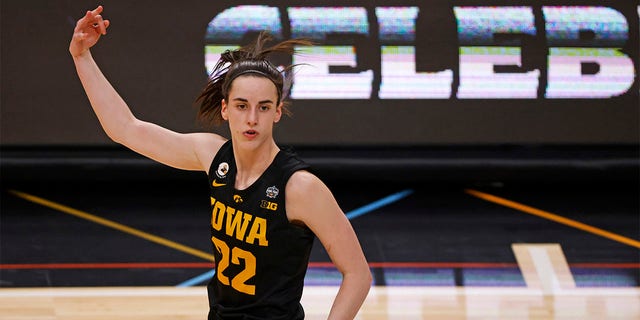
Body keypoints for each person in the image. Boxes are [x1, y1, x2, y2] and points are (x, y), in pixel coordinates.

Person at [69, 6, 372, 320]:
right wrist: (82, 57)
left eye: (264, 107)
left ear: (277, 112)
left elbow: (357, 275)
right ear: (226, 109)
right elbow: (126, 129)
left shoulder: (299, 187)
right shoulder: (214, 156)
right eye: (242, 106)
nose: (252, 119)